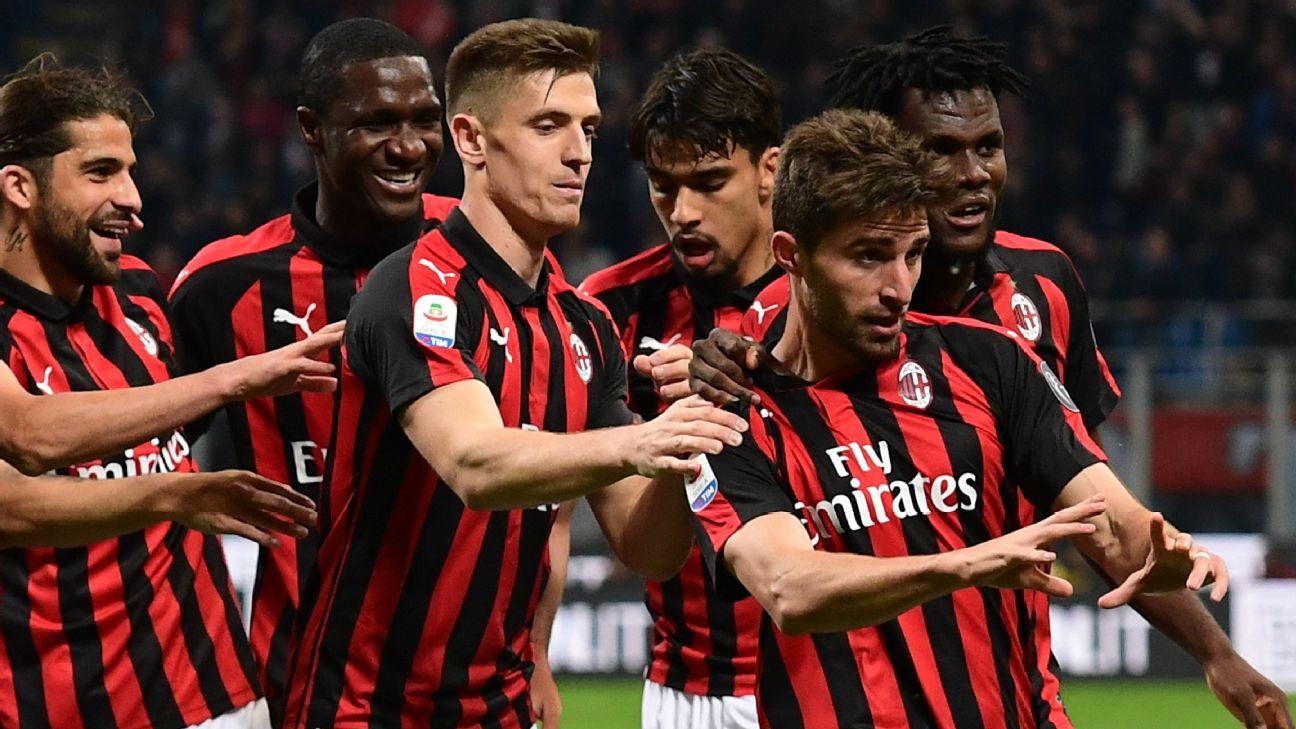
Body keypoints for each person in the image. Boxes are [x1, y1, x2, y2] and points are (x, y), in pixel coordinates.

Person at [690, 27, 1292, 728]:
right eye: (942, 150)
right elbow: (787, 584)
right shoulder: (740, 376)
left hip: (1013, 693)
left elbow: (1103, 514)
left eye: (988, 146)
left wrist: (1194, 614)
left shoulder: (1016, 331)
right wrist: (968, 561)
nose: (973, 173)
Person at [281, 19, 746, 729]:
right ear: (471, 139)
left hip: (501, 708)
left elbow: (648, 549)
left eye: (588, 129)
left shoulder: (585, 326)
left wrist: (690, 437)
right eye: (547, 126)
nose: (578, 153)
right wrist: (640, 441)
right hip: (366, 709)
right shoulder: (413, 287)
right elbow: (475, 464)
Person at [0, 56, 332, 728]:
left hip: (221, 699)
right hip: (62, 709)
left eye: (130, 170)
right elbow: (24, 459)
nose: (132, 198)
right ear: (20, 186)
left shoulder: (143, 296)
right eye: (100, 172)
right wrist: (180, 480)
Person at [167, 18, 463, 713]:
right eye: (377, 122)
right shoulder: (222, 286)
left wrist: (538, 640)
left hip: (475, 689)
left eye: (425, 120)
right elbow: (143, 463)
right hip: (300, 687)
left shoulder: (484, 250)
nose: (408, 146)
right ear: (311, 129)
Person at [580, 48, 782, 729]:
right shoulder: (608, 312)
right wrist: (682, 424)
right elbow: (641, 549)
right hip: (695, 692)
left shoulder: (838, 296)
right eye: (663, 186)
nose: (684, 211)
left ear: (770, 169)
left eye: (710, 182)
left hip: (849, 678)